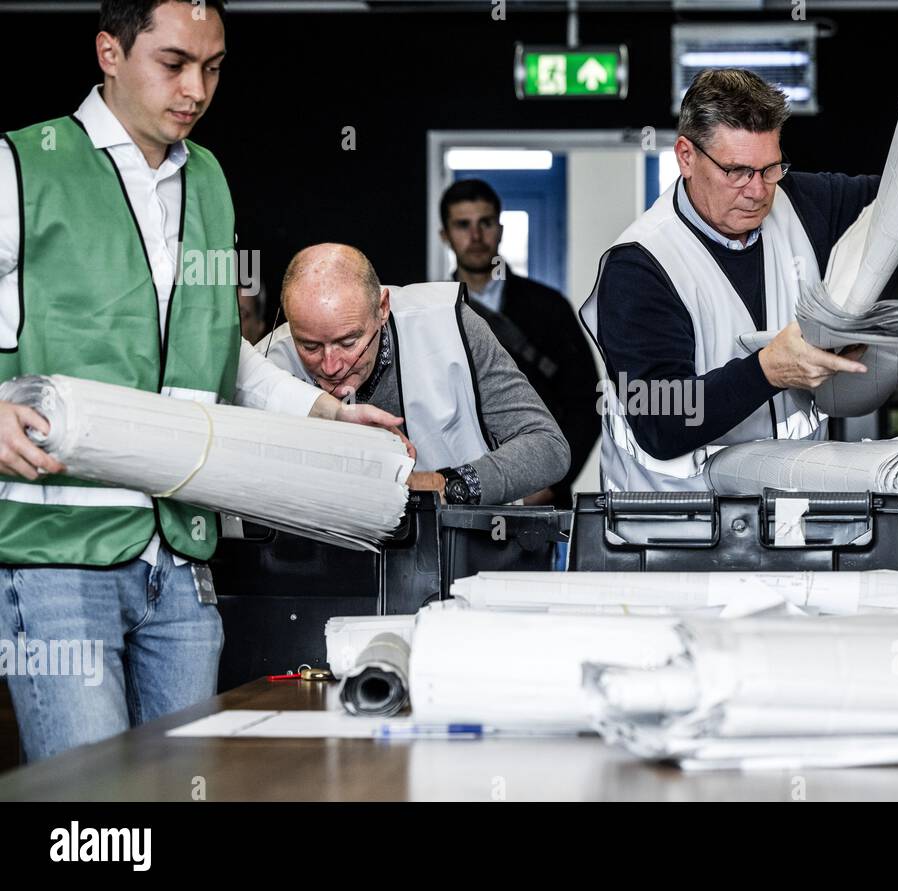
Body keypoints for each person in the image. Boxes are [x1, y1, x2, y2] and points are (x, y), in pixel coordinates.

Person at [0, 0, 402, 761]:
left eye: (213, 68)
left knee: (187, 788)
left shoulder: (207, 178)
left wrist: (322, 411)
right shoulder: (22, 164)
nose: (196, 90)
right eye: (174, 63)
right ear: (109, 53)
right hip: (57, 553)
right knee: (89, 796)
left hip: (181, 553)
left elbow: (215, 349)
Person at [581, 69, 878, 492]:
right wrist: (766, 371)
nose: (757, 190)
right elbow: (660, 418)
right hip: (673, 522)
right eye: (737, 171)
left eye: (770, 168)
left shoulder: (801, 203)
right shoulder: (640, 265)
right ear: (686, 156)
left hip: (791, 516)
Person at [259, 243, 571, 505]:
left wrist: (442, 486)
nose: (331, 366)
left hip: (464, 549)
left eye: (348, 342)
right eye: (310, 346)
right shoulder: (269, 361)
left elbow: (547, 447)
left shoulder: (452, 327)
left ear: (382, 307)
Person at [440, 179, 599, 507]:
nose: (475, 236)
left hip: (539, 494)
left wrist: (552, 483)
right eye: (463, 225)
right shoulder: (432, 311)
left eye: (485, 223)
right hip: (455, 492)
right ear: (445, 235)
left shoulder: (549, 307)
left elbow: (587, 403)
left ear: (500, 230)